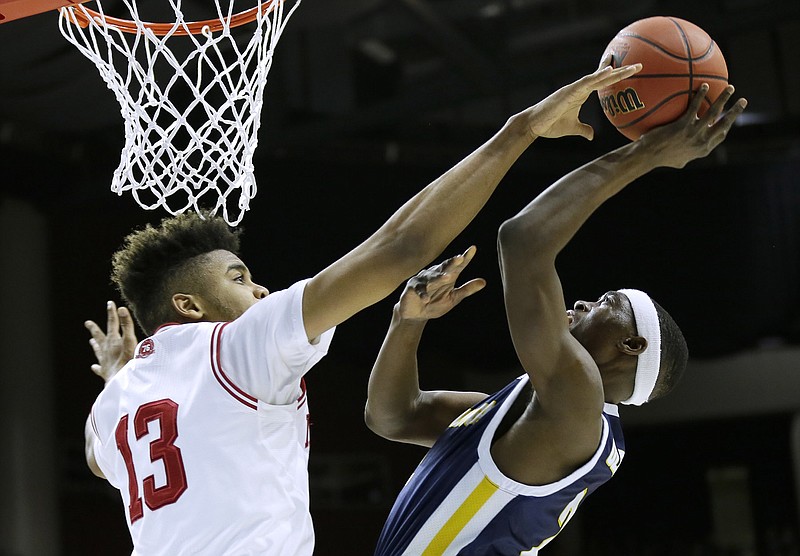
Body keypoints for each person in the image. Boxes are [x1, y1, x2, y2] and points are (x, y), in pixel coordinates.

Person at [82, 61, 642, 556]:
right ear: (189, 305)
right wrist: (520, 130)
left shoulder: (119, 404)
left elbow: (94, 455)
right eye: (239, 277)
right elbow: (400, 248)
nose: (258, 292)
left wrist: (117, 376)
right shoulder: (236, 344)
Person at [366, 84, 747, 555]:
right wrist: (408, 323)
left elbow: (522, 240)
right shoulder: (540, 410)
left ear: (632, 346)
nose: (582, 304)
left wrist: (646, 153)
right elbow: (393, 417)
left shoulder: (579, 407)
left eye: (606, 302)